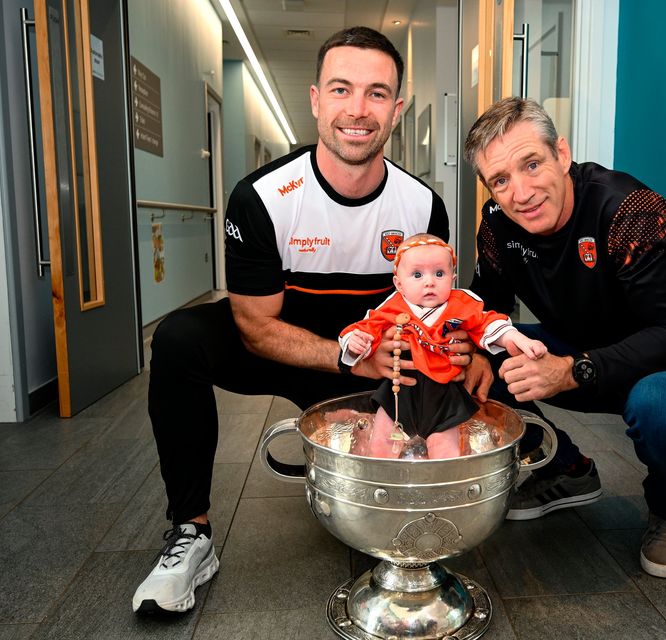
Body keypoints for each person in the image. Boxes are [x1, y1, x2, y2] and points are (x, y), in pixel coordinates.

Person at [132, 27, 472, 614]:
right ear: (316, 100)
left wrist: (459, 346)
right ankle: (191, 533)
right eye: (342, 89)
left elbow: (435, 309)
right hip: (288, 345)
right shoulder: (261, 197)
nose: (357, 110)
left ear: (395, 107)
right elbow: (255, 325)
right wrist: (344, 354)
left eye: (376, 93)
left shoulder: (422, 205)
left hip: (372, 358)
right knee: (180, 339)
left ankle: (414, 501)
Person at [463, 97, 666, 579]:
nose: (521, 192)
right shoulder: (497, 225)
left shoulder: (628, 209)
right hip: (576, 345)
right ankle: (566, 469)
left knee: (664, 411)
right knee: (466, 367)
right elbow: (487, 308)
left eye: (532, 165)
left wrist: (574, 370)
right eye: (500, 180)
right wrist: (478, 346)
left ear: (562, 154)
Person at [339, 233, 546, 459]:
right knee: (381, 442)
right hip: (401, 392)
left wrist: (515, 338)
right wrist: (355, 343)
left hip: (445, 393)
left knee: (446, 449)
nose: (429, 282)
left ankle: (445, 488)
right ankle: (383, 483)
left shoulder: (460, 303)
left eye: (439, 273)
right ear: (399, 283)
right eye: (417, 274)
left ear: (453, 277)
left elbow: (487, 322)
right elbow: (366, 327)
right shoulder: (394, 306)